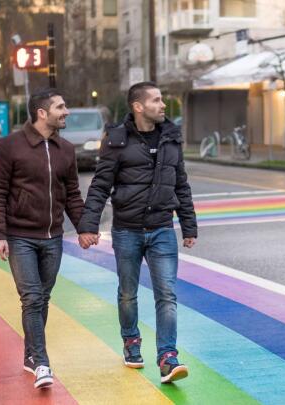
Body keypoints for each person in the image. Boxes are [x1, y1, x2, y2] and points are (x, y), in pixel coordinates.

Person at [77, 81, 198, 384]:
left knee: (166, 294)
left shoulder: (171, 137)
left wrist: (188, 224)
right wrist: (89, 225)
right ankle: (131, 341)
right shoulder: (116, 140)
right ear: (138, 106)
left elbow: (180, 183)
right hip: (127, 231)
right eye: (156, 100)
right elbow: (101, 186)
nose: (163, 105)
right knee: (128, 294)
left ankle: (168, 357)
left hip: (161, 229)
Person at [0, 88, 84, 389]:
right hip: (20, 236)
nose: (66, 112)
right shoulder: (10, 146)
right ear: (42, 113)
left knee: (42, 298)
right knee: (31, 297)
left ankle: (30, 355)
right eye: (60, 107)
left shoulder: (65, 150)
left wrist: (85, 228)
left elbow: (73, 196)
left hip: (53, 237)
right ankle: (42, 363)